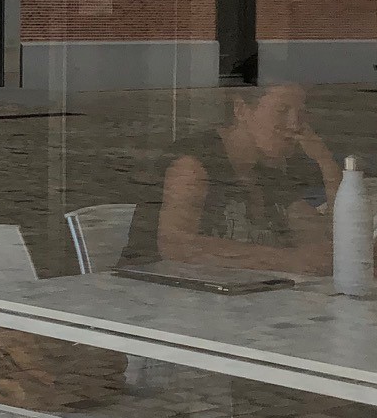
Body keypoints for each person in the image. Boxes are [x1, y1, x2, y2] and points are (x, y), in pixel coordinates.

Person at [119, 82, 341, 277]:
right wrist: (287, 260)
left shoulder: (269, 169)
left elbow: (321, 238)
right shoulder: (193, 164)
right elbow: (177, 245)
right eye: (282, 111)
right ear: (241, 109)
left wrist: (327, 166)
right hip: (151, 293)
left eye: (301, 114)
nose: (295, 124)